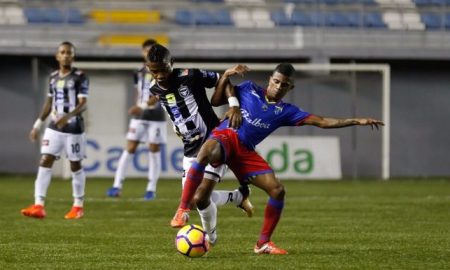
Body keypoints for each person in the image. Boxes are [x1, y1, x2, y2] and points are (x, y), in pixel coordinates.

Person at [174, 63, 385, 254]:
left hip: (246, 151)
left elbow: (322, 121)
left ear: (290, 88)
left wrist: (357, 121)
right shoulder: (248, 88)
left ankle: (262, 243)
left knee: (277, 190)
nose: (278, 86)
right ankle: (182, 210)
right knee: (204, 155)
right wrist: (232, 97)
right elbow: (216, 99)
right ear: (270, 80)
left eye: (284, 85)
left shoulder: (286, 111)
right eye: (276, 81)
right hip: (225, 137)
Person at [145, 44, 253, 228]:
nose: (160, 75)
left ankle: (202, 231)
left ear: (172, 63)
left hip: (214, 140)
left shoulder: (191, 75)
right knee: (196, 201)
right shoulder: (153, 88)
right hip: (190, 147)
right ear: (149, 69)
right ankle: (238, 197)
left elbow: (222, 80)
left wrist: (233, 105)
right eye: (155, 71)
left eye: (164, 69)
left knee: (196, 198)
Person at [21, 41, 89, 219]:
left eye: (69, 52)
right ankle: (38, 205)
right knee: (45, 160)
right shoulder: (52, 77)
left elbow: (83, 104)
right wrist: (37, 125)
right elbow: (49, 103)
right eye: (63, 52)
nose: (66, 55)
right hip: (54, 127)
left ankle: (78, 206)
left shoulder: (80, 76)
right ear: (57, 56)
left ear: (73, 56)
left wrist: (67, 116)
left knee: (75, 165)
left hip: (74, 127)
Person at [106, 39, 167, 200]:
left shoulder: (162, 70)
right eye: (145, 50)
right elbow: (139, 93)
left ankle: (151, 189)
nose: (148, 53)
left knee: (153, 150)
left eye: (151, 50)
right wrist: (138, 106)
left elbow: (159, 94)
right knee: (130, 148)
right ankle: (117, 185)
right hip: (140, 116)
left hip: (156, 116)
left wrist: (142, 107)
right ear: (142, 52)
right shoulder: (138, 72)